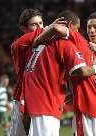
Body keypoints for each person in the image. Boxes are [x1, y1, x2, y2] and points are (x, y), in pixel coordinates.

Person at [34, 10, 96, 136]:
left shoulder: (77, 40)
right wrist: (83, 87)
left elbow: (58, 29)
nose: (79, 31)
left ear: (69, 25)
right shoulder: (93, 55)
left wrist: (37, 40)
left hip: (87, 107)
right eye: (82, 28)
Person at [9, 8, 69, 136]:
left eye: (41, 23)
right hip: (22, 96)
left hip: (40, 98)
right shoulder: (19, 45)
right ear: (23, 28)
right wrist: (49, 28)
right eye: (34, 24)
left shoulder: (47, 42)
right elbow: (21, 44)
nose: (39, 27)